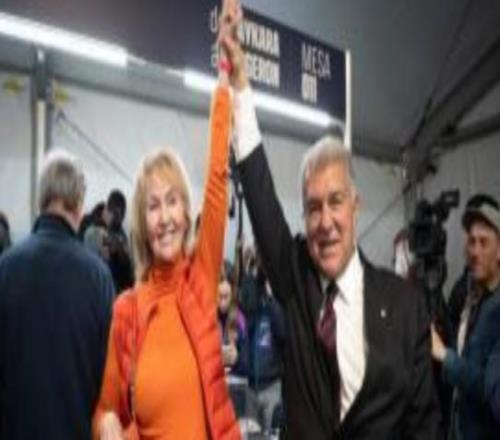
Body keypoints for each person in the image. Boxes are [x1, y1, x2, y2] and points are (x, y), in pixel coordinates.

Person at [219, 7, 442, 439]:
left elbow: (425, 428)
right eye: (313, 207)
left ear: (356, 205)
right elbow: (261, 196)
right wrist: (240, 81)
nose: (325, 222)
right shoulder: (295, 279)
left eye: (335, 202)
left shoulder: (406, 307)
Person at [92, 5, 241, 437]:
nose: (165, 218)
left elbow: (217, 177)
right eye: (153, 206)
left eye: (172, 201)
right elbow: (105, 410)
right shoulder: (127, 311)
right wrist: (107, 427)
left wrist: (224, 70)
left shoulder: (201, 278)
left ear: (186, 211)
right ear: (142, 222)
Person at [0, 150, 115, 439]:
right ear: (78, 203)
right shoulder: (98, 277)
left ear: (41, 200)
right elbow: (109, 381)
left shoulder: (5, 268)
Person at [432, 197, 500, 439]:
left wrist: (444, 356)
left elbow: (489, 389)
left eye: (484, 242)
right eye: (471, 241)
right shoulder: (469, 296)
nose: (475, 251)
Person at [104, 189, 134, 293]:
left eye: (121, 212)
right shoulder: (107, 233)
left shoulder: (120, 235)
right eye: (115, 211)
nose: (119, 216)